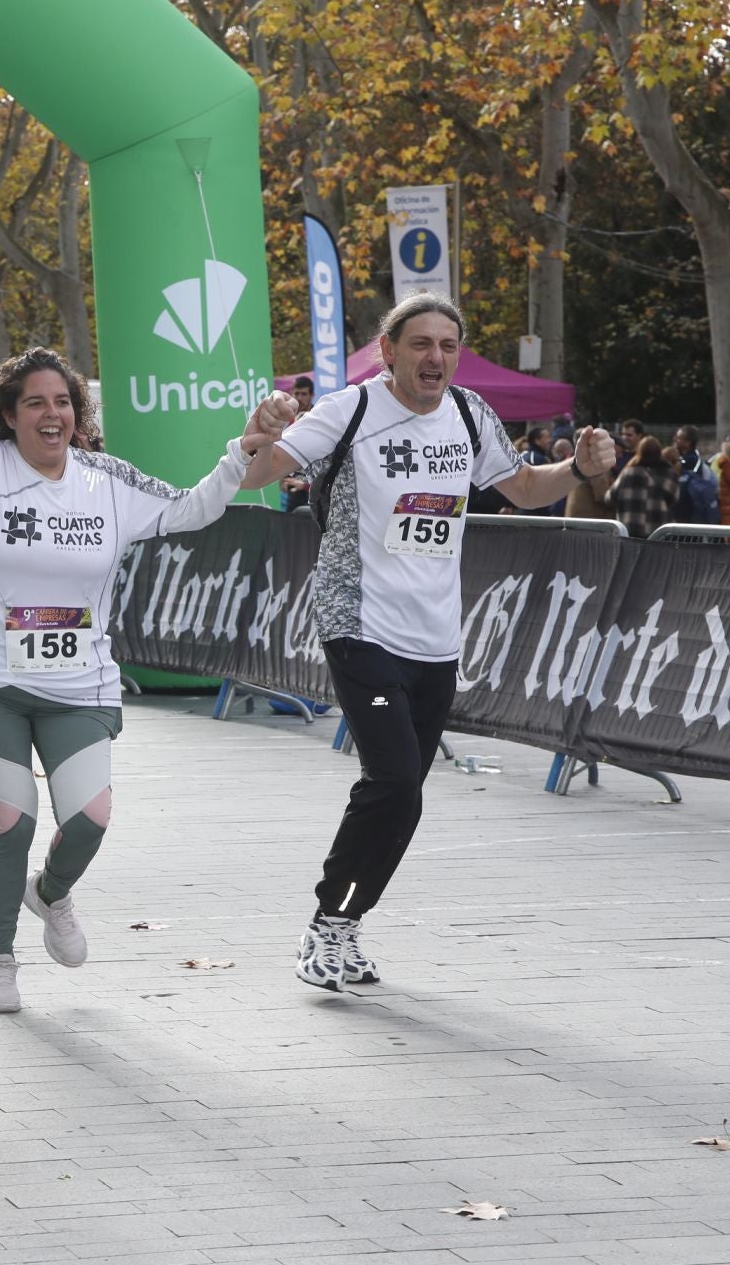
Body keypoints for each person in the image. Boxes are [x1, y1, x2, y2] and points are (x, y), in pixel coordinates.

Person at [0, 301, 290, 1015]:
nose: (51, 414)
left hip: (79, 682)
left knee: (89, 817)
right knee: (11, 820)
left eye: (63, 401)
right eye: (35, 403)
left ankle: (51, 894)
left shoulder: (106, 480)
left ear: (78, 413)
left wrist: (241, 450)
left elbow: (190, 508)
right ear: (9, 415)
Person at [238, 291, 617, 993]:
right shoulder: (350, 411)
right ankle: (328, 925)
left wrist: (583, 472)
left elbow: (525, 486)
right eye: (420, 343)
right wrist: (256, 431)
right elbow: (262, 470)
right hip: (358, 622)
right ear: (388, 350)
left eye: (447, 345)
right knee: (394, 785)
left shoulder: (470, 414)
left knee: (403, 788)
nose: (435, 357)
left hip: (436, 637)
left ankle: (343, 927)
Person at [609, 434, 679, 537]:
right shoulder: (670, 473)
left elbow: (610, 497)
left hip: (630, 530)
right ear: (660, 452)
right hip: (659, 532)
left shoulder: (629, 471)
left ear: (639, 451)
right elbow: (674, 499)